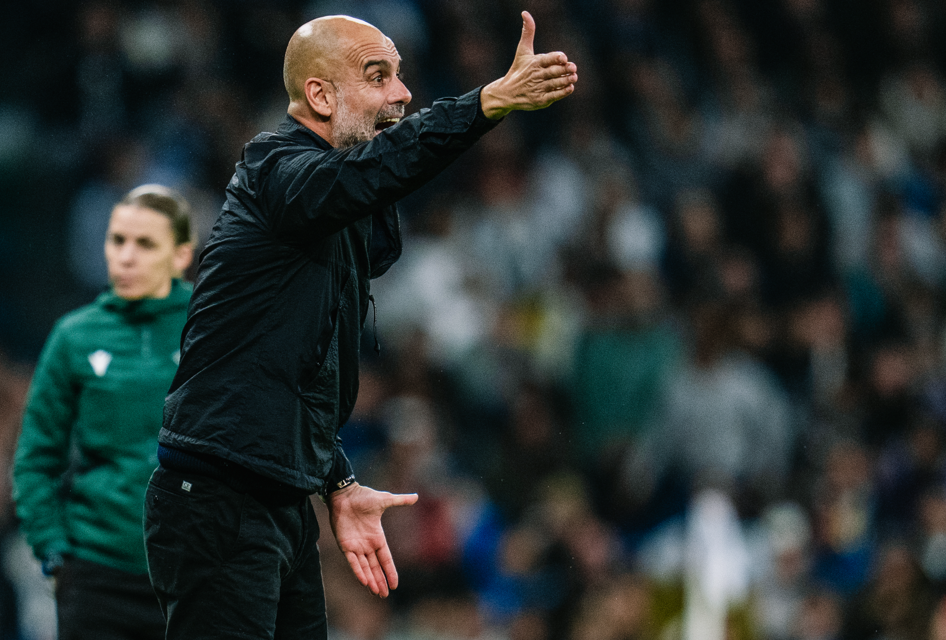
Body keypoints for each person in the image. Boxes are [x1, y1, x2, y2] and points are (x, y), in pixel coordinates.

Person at [144, 11, 577, 639]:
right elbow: (375, 170)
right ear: (320, 96)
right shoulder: (275, 168)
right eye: (378, 76)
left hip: (278, 500)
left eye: (400, 75)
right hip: (217, 500)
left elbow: (288, 373)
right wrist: (486, 103)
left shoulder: (329, 218)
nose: (402, 92)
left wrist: (339, 481)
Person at [12, 184, 195, 640]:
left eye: (145, 243)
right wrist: (52, 549)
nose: (126, 257)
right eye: (118, 240)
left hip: (195, 573)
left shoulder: (210, 328)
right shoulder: (74, 336)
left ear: (181, 255)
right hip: (97, 575)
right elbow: (35, 458)